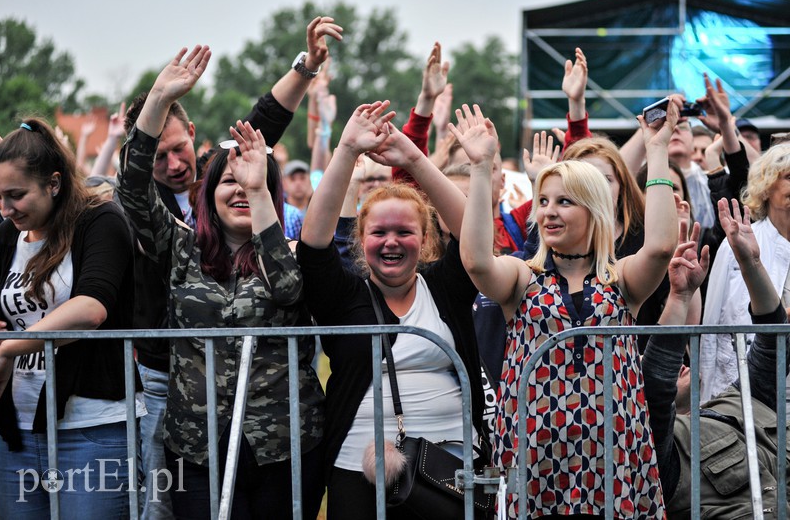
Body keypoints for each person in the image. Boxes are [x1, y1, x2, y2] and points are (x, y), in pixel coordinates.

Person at [121, 16, 341, 519]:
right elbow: (133, 189)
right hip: (198, 443)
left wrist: (259, 187)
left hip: (282, 441)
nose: (239, 189)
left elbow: (287, 289)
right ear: (206, 194)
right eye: (228, 183)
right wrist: (157, 100)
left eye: (250, 180)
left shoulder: (284, 243)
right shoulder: (178, 245)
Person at [459, 97, 680, 518]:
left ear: (593, 209)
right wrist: (480, 168)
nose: (548, 212)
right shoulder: (523, 276)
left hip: (612, 454)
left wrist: (657, 149)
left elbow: (662, 246)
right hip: (535, 455)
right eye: (543, 201)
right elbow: (475, 261)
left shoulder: (621, 277)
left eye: (564, 202)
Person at [297, 101, 487, 519]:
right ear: (360, 239)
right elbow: (313, 245)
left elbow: (470, 236)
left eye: (405, 231)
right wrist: (346, 149)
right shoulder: (344, 296)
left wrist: (415, 160)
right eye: (379, 232)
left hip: (449, 466)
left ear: (425, 239)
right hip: (357, 467)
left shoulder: (445, 287)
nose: (391, 242)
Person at [0, 118, 141, 519]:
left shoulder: (100, 221)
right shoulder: (8, 237)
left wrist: (8, 351)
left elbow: (91, 309)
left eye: (15, 195)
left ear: (53, 184)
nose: (5, 210)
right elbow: (3, 316)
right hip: (18, 429)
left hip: (92, 426)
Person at [643, 203, 790, 518]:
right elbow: (656, 381)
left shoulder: (744, 397)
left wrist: (750, 263)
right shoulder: (660, 450)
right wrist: (679, 297)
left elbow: (773, 336)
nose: (678, 367)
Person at [700, 143, 790, 410]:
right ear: (766, 185)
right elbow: (712, 322)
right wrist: (707, 400)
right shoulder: (738, 241)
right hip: (744, 393)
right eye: (789, 176)